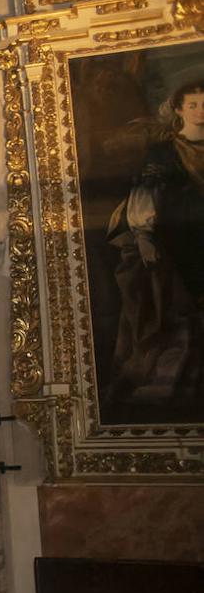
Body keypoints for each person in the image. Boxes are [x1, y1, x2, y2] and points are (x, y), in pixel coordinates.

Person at [106, 78, 204, 408]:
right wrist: (144, 236)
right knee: (176, 313)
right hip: (177, 240)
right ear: (179, 110)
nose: (200, 111)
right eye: (193, 105)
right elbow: (144, 195)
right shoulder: (164, 152)